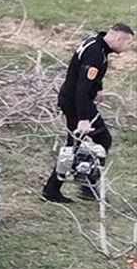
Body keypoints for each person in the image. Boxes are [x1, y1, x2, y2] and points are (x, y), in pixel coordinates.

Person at [41, 22, 133, 203]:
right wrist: (84, 119)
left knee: (73, 144)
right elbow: (82, 88)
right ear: (117, 38)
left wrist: (98, 88)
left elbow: (88, 76)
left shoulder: (97, 44)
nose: (128, 47)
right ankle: (87, 185)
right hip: (77, 103)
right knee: (102, 139)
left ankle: (53, 189)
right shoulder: (95, 54)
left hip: (72, 99)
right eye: (127, 43)